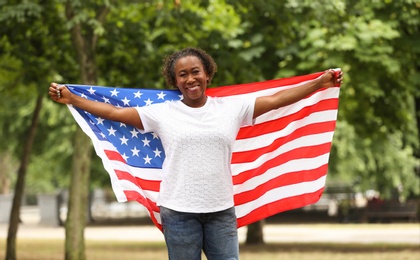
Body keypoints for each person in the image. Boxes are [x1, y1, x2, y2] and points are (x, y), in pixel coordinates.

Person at [49, 47, 343, 260]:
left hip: (221, 212)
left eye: (195, 72)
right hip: (178, 213)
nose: (190, 79)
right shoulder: (162, 113)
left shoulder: (232, 108)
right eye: (182, 75)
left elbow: (279, 99)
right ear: (174, 81)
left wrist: (321, 82)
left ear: (207, 74)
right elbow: (113, 111)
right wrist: (73, 98)